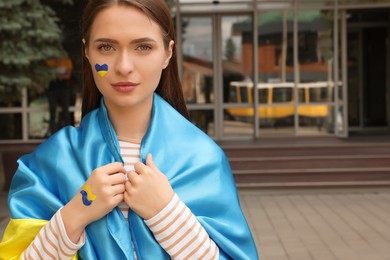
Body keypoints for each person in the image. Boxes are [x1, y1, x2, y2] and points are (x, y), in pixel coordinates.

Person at [0, 0, 259, 259]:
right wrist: (77, 211)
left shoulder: (203, 158)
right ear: (87, 52)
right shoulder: (54, 160)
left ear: (168, 54)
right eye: (106, 47)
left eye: (143, 47)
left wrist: (166, 212)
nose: (124, 66)